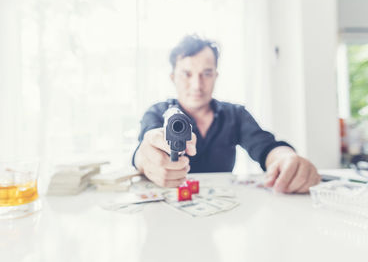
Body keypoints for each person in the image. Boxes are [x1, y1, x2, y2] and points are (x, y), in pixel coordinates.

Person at [132, 35, 320, 193]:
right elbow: (144, 150)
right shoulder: (157, 112)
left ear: (216, 76)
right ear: (173, 78)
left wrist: (287, 160)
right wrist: (144, 159)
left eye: (206, 73)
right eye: (187, 74)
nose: (197, 85)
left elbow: (267, 147)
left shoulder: (235, 115)